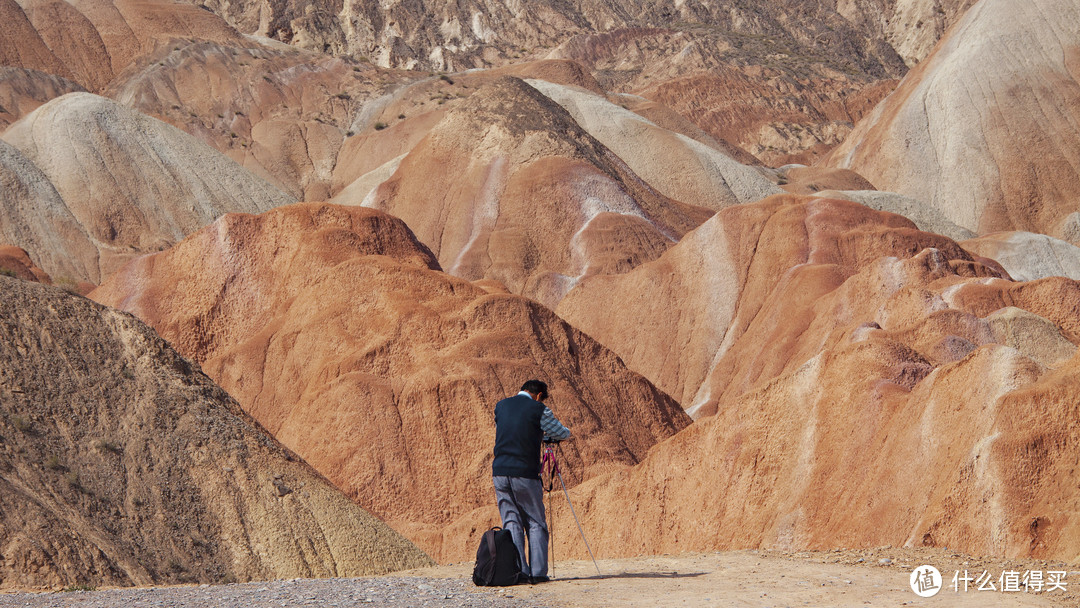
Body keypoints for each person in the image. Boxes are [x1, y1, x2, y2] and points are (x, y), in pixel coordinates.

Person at [492, 379, 571, 584]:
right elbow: (560, 432)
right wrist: (556, 435)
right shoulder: (538, 409)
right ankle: (538, 573)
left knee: (511, 521)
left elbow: (514, 430)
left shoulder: (501, 406)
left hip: (500, 472)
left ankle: (519, 572)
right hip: (524, 473)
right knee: (535, 521)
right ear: (538, 395)